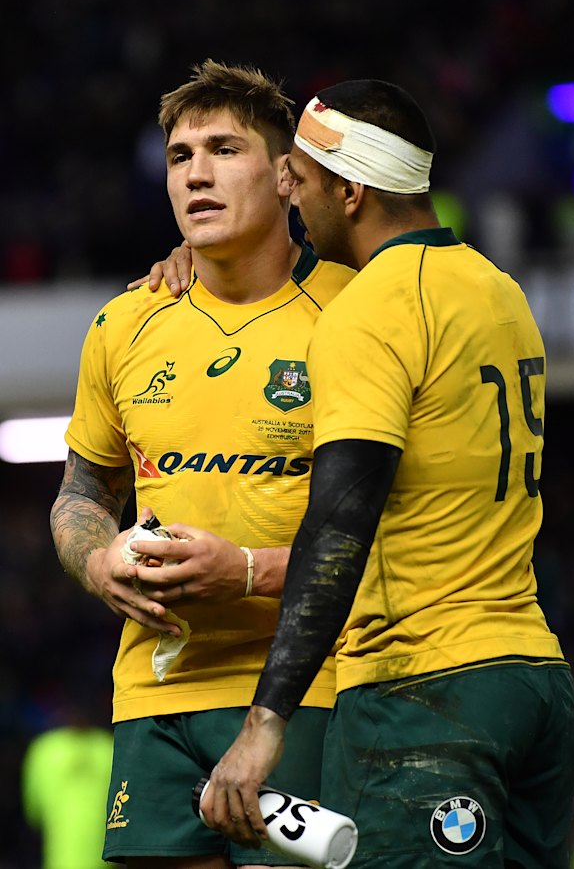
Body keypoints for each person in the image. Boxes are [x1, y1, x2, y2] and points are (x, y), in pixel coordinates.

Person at [200, 80, 574, 868]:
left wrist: (263, 724)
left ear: (350, 188)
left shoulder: (372, 310)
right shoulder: (498, 291)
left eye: (299, 181)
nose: (289, 198)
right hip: (535, 681)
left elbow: (339, 525)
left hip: (428, 692)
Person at [50, 59, 354, 869]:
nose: (196, 173)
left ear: (289, 177)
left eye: (224, 149)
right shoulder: (126, 321)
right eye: (181, 156)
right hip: (153, 692)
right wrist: (98, 561)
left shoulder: (357, 314)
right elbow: (82, 490)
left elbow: (396, 534)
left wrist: (248, 570)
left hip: (308, 690)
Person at [21, 700, 113, 869]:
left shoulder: (44, 749)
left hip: (58, 859)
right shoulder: (108, 747)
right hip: (104, 860)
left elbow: (32, 809)